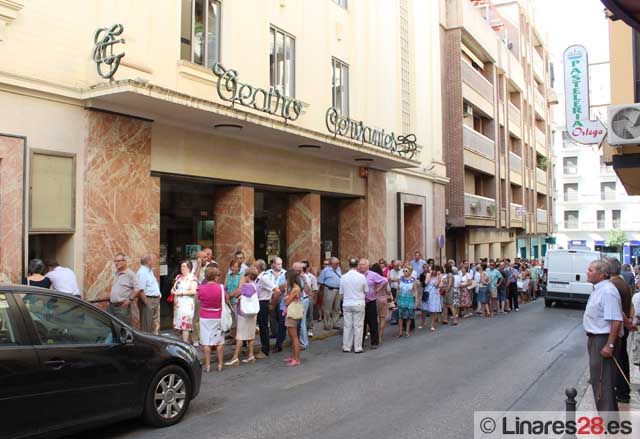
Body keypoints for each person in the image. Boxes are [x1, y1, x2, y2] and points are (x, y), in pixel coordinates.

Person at [583, 259, 623, 415]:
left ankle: (608, 422)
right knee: (598, 379)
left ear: (602, 274)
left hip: (603, 339)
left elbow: (616, 320)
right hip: (595, 338)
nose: (587, 272)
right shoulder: (598, 289)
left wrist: (610, 345)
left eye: (591, 270)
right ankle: (608, 418)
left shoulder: (607, 291)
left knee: (602, 381)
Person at [607, 258, 633, 404]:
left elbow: (618, 310)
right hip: (623, 326)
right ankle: (623, 390)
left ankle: (622, 391)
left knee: (618, 361)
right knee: (622, 358)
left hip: (618, 328)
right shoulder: (623, 283)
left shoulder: (613, 285)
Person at [226, 267, 259, 366]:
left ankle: (235, 357)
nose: (243, 276)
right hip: (253, 313)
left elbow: (236, 294)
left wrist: (241, 284)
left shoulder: (245, 286)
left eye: (245, 275)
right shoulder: (255, 286)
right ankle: (251, 355)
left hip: (243, 313)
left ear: (248, 276)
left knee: (240, 336)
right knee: (250, 335)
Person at [198, 266, 225, 372]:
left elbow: (200, 299)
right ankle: (220, 364)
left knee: (206, 341)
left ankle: (208, 365)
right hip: (217, 316)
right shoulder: (221, 287)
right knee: (219, 341)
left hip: (204, 316)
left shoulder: (201, 287)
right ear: (215, 277)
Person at [339, 258, 368, 353]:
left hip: (347, 302)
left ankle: (346, 346)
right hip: (359, 302)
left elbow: (341, 292)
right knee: (358, 326)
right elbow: (366, 290)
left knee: (347, 326)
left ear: (349, 265)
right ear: (357, 265)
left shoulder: (343, 277)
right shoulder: (361, 277)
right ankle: (358, 347)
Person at [108, 253, 145, 325]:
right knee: (111, 327)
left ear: (125, 261)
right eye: (115, 261)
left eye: (118, 261)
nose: (116, 263)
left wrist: (130, 299)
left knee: (123, 328)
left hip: (122, 308)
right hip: (111, 306)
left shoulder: (130, 274)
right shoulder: (116, 273)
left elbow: (138, 288)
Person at [359, 258, 387, 349]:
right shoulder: (357, 274)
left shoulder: (373, 274)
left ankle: (374, 342)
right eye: (360, 264)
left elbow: (384, 280)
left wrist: (378, 289)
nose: (361, 266)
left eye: (363, 264)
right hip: (360, 301)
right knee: (361, 323)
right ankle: (360, 343)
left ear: (367, 266)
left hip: (371, 301)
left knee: (373, 322)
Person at [255, 259, 279, 359]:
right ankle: (264, 348)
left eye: (254, 266)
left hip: (263, 303)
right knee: (262, 327)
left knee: (263, 327)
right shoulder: (260, 277)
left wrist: (273, 304)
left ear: (258, 268)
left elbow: (276, 290)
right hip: (260, 303)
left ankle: (265, 350)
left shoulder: (264, 278)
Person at [171, 260, 198, 343]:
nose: (181, 268)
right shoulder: (178, 277)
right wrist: (172, 290)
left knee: (185, 325)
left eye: (184, 266)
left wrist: (181, 293)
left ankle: (185, 343)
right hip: (178, 304)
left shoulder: (192, 278)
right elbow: (175, 287)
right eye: (181, 266)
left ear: (189, 268)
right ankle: (186, 342)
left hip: (186, 304)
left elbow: (193, 291)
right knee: (179, 324)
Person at [136, 252, 161, 335]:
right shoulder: (142, 272)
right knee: (147, 326)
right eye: (153, 260)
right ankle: (147, 346)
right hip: (148, 300)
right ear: (149, 261)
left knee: (153, 324)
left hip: (154, 300)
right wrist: (147, 303)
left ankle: (154, 342)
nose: (154, 262)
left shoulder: (149, 271)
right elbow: (140, 290)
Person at [266, 257, 287, 353]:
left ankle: (280, 340)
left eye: (281, 264)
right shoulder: (267, 273)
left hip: (282, 299)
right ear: (273, 264)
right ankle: (274, 333)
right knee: (272, 317)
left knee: (281, 320)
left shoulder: (285, 273)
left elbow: (285, 287)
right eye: (278, 264)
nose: (280, 266)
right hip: (270, 298)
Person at [284, 269, 303, 366]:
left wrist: (286, 293)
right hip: (292, 313)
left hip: (292, 313)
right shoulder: (296, 288)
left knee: (294, 337)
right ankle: (294, 356)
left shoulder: (295, 289)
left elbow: (287, 302)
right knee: (292, 336)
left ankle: (296, 359)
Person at [318, 257, 342, 330]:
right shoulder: (325, 270)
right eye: (336, 263)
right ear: (331, 264)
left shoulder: (338, 269)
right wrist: (321, 292)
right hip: (329, 289)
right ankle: (327, 325)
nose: (338, 264)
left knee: (337, 308)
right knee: (327, 308)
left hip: (338, 290)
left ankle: (336, 324)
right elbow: (321, 281)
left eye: (338, 263)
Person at [371, 263, 392, 343]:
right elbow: (389, 291)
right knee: (382, 318)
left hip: (373, 299)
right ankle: (380, 337)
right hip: (383, 300)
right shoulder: (384, 279)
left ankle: (373, 336)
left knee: (373, 319)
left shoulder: (371, 279)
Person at [293, 262, 312, 350]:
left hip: (303, 300)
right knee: (298, 322)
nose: (296, 271)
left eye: (298, 270)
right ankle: (299, 341)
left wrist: (304, 282)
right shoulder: (295, 277)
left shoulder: (305, 277)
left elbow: (309, 291)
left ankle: (304, 342)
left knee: (302, 322)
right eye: (295, 270)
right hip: (299, 301)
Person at [397, 266, 419, 337]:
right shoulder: (400, 279)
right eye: (403, 271)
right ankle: (400, 331)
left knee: (409, 316)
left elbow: (415, 291)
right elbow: (398, 289)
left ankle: (407, 330)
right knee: (400, 316)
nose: (404, 272)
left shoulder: (413, 280)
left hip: (410, 299)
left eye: (406, 271)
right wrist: (396, 298)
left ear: (410, 271)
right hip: (401, 299)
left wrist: (416, 301)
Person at [225, 260, 244, 342]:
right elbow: (225, 287)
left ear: (239, 268)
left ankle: (238, 338)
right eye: (233, 266)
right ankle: (232, 336)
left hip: (236, 301)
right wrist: (226, 295)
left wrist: (230, 295)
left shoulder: (241, 276)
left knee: (237, 320)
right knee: (231, 320)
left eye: (236, 266)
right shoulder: (228, 275)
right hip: (228, 301)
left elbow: (240, 288)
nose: (234, 268)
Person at [302, 260, 319, 338]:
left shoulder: (311, 277)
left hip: (309, 295)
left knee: (309, 313)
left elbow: (315, 289)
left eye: (305, 267)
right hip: (300, 296)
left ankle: (310, 329)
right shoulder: (299, 275)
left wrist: (314, 299)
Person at [426, 265, 443, 331]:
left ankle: (432, 324)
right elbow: (426, 282)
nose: (434, 271)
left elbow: (437, 285)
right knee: (429, 310)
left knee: (434, 310)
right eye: (433, 270)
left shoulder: (439, 277)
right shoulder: (428, 275)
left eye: (436, 270)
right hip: (428, 294)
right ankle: (426, 322)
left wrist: (438, 278)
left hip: (435, 294)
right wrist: (429, 276)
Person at [387, 259, 402, 325]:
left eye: (397, 265)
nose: (396, 267)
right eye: (395, 266)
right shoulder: (391, 271)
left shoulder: (403, 271)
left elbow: (401, 279)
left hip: (400, 289)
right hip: (393, 289)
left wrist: (394, 279)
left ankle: (400, 318)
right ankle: (393, 319)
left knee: (400, 304)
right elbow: (389, 279)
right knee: (394, 304)